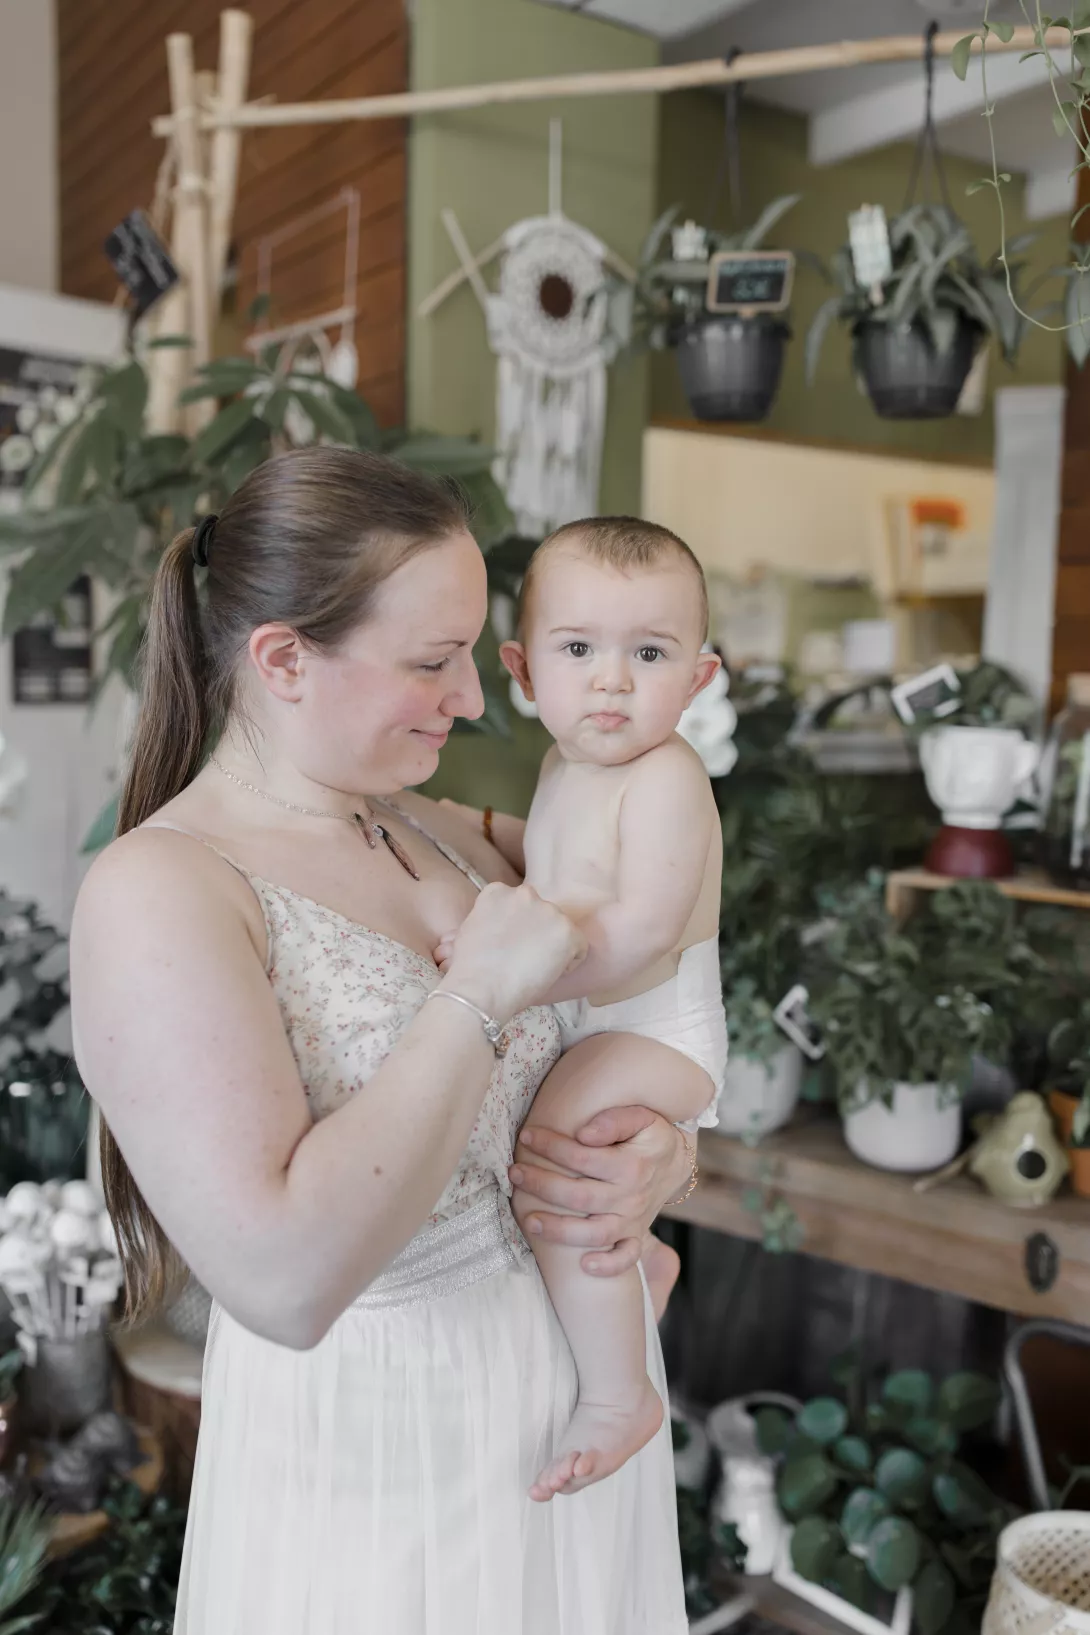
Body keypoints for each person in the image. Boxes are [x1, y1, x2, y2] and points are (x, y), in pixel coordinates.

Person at [68, 448, 695, 1635]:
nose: (472, 695)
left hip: (571, 1405)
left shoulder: (438, 829)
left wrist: (663, 1156)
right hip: (386, 1442)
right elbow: (283, 1282)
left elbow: (610, 1027)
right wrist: (474, 1000)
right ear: (283, 660)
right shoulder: (162, 891)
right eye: (431, 659)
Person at [438, 519, 725, 1504]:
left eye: (648, 654)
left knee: (558, 1157)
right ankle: (644, 1265)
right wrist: (486, 838)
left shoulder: (668, 776)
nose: (610, 681)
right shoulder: (569, 765)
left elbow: (640, 931)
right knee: (560, 1148)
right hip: (600, 1025)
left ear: (697, 678)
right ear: (522, 669)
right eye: (577, 649)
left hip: (655, 1030)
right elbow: (567, 866)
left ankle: (617, 1394)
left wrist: (510, 979)